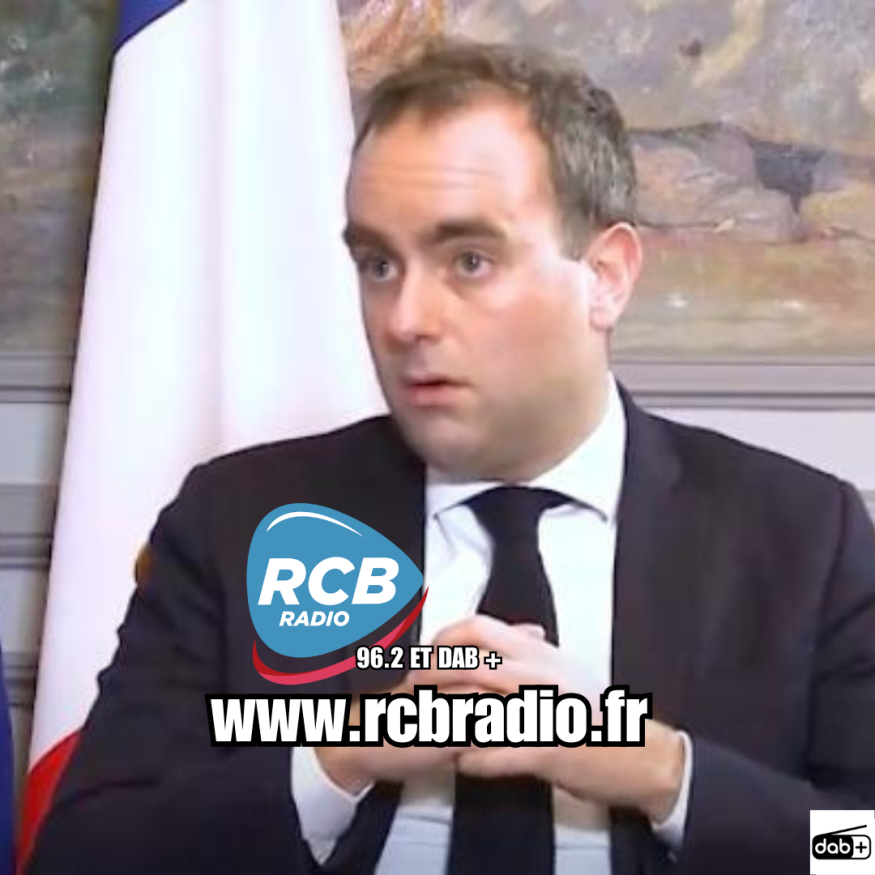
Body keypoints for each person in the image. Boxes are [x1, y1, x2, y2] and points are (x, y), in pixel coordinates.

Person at [25, 39, 875, 875]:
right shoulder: (241, 518)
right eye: (377, 264)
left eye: (468, 260)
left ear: (605, 275)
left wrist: (662, 773)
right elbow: (80, 855)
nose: (404, 320)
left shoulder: (803, 534)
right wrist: (339, 759)